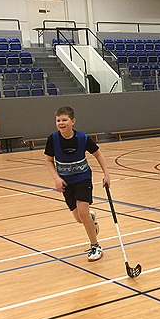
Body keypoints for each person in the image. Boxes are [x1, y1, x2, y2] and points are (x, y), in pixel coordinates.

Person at [44, 106, 111, 261]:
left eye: (64, 120)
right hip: (66, 182)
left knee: (82, 212)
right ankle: (90, 218)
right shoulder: (52, 139)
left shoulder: (82, 138)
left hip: (83, 178)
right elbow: (48, 160)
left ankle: (95, 246)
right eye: (58, 120)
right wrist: (56, 178)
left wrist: (106, 174)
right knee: (79, 218)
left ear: (73, 121)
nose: (61, 123)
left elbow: (98, 154)